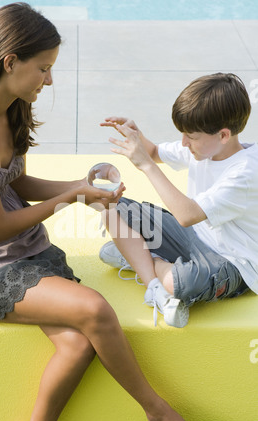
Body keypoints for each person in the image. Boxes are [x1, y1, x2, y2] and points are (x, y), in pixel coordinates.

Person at [0, 3, 221, 421]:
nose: (50, 80)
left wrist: (81, 185)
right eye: (44, 69)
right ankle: (163, 418)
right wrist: (69, 200)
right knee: (96, 311)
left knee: (79, 344)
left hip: (27, 250)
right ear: (10, 62)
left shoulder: (11, 110)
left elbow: (14, 180)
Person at [99, 73, 256, 329]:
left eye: (191, 136)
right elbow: (153, 152)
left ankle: (144, 260)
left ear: (224, 135)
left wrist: (147, 167)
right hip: (193, 235)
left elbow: (187, 214)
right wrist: (137, 136)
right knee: (110, 205)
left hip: (232, 260)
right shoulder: (205, 147)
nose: (184, 142)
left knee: (178, 284)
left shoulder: (245, 173)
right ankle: (154, 286)